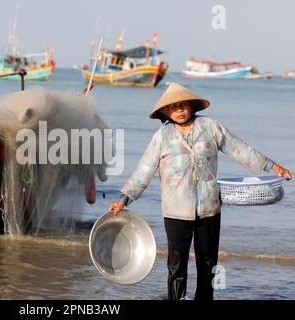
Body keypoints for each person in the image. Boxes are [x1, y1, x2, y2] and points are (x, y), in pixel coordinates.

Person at [109, 83, 292, 300]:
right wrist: (124, 199)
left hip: (209, 209)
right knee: (176, 265)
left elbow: (239, 149)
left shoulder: (210, 127)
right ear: (166, 111)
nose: (179, 110)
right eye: (174, 107)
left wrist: (273, 166)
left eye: (183, 105)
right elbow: (144, 170)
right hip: (176, 212)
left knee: (208, 263)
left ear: (192, 106)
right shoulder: (162, 136)